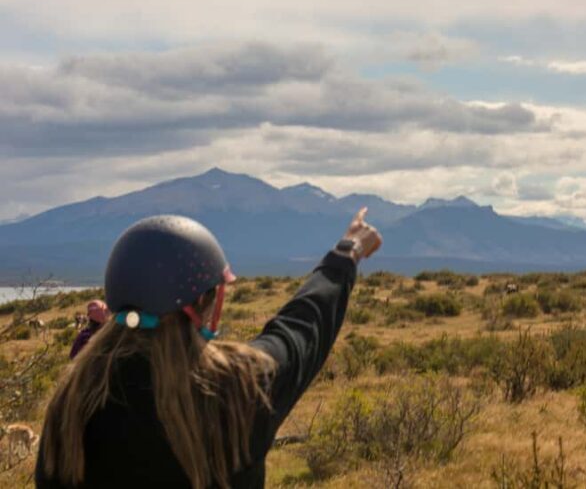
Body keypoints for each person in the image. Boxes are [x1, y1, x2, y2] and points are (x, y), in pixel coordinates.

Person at [36, 208, 382, 488]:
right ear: (201, 302)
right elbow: (303, 326)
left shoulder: (70, 404)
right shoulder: (237, 387)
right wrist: (348, 251)